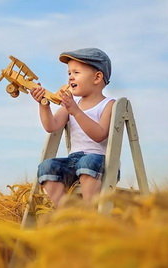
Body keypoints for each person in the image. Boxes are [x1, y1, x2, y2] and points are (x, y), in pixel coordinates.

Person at [30, 48, 115, 207]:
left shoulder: (108, 105)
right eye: (69, 73)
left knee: (87, 162)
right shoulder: (70, 106)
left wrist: (75, 111)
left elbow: (99, 134)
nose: (70, 78)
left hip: (99, 163)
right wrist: (44, 104)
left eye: (76, 72)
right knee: (47, 167)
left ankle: (90, 212)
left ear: (97, 77)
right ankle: (66, 213)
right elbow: (51, 126)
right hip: (73, 162)